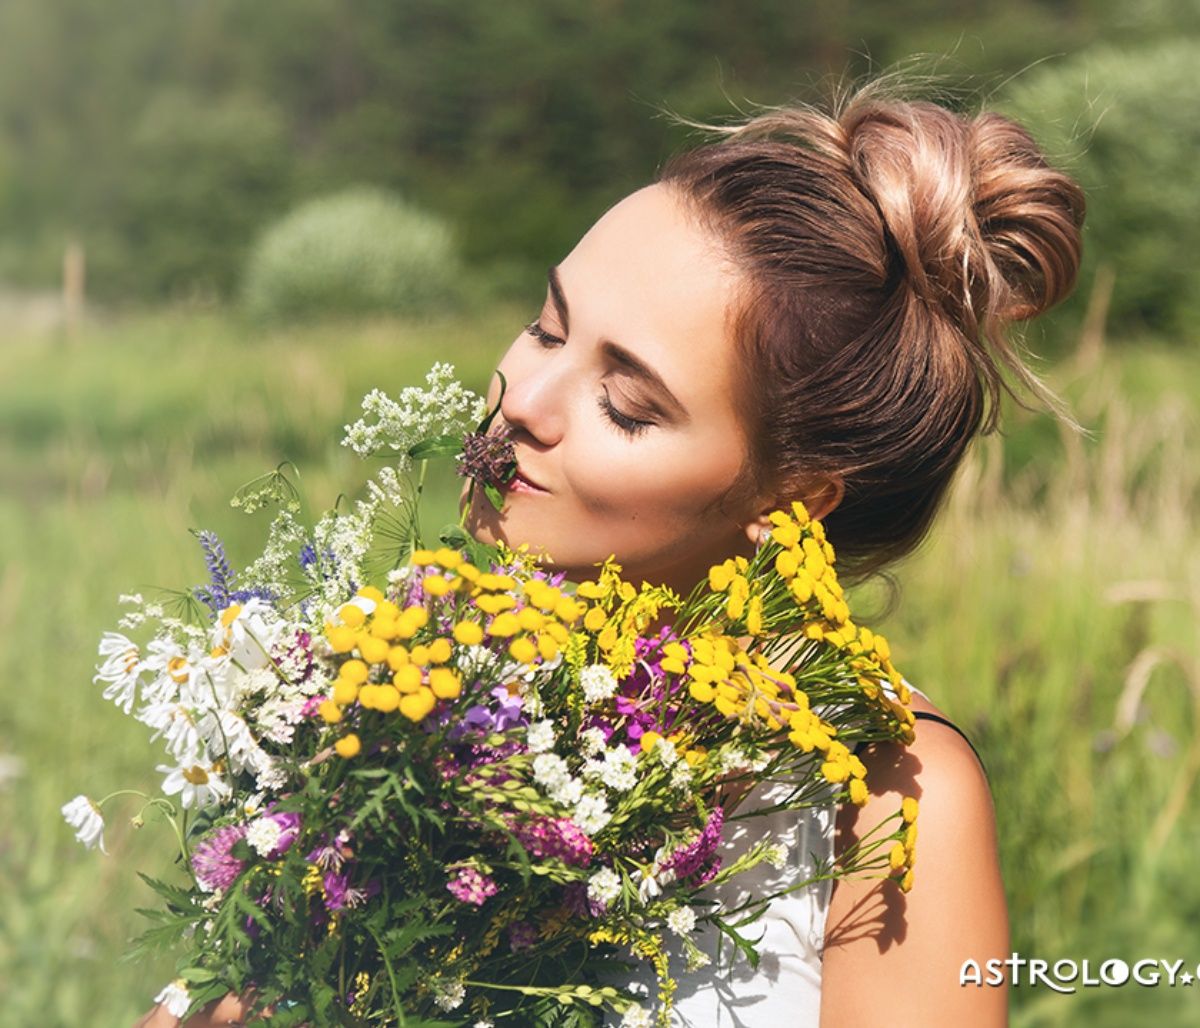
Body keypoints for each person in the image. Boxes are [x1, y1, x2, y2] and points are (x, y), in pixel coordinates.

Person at [136, 79, 1084, 1027]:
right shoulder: (398, 684)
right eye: (546, 326)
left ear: (790, 498)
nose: (524, 401)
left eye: (627, 405)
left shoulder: (885, 797)